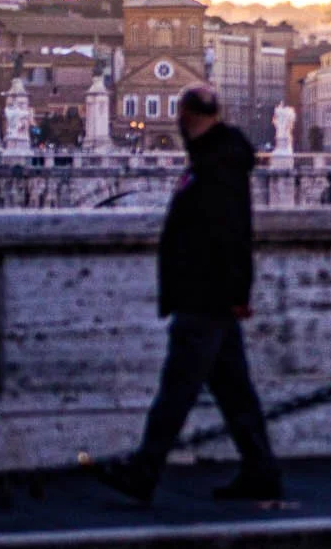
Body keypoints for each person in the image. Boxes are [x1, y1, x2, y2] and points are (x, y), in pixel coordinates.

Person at [93, 85, 284, 505]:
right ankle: (261, 470)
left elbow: (231, 234)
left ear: (186, 116)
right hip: (211, 294)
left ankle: (143, 471)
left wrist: (236, 292)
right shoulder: (214, 159)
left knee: (177, 389)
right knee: (235, 391)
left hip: (206, 295)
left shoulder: (216, 166)